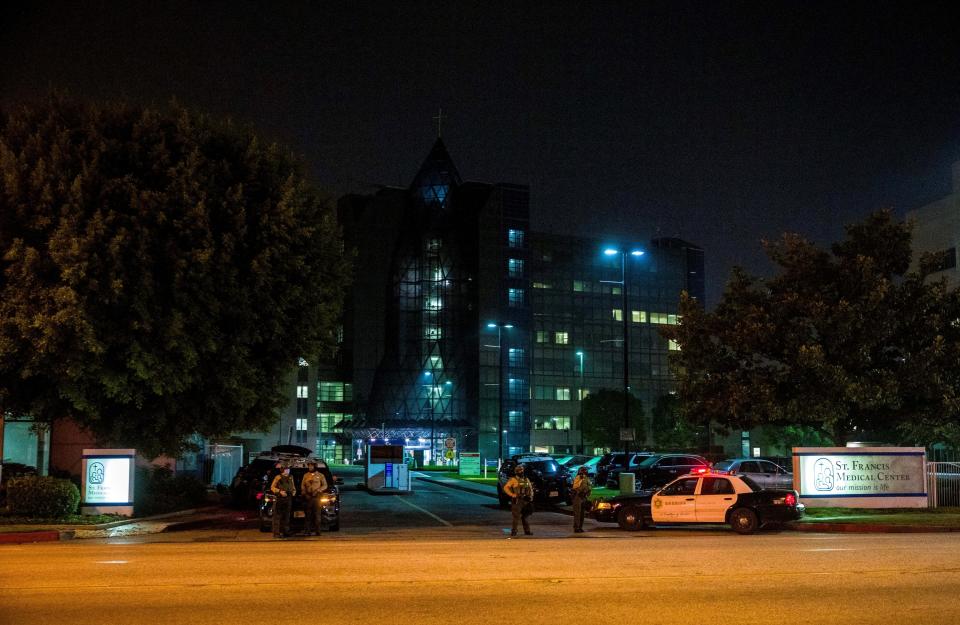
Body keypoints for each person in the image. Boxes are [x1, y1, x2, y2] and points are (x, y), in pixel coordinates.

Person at [503, 464, 535, 537]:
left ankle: (527, 531)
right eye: (520, 471)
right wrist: (512, 495)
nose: (522, 472)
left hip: (526, 500)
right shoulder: (513, 479)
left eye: (522, 470)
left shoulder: (526, 479)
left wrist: (531, 496)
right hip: (517, 500)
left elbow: (530, 489)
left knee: (525, 516)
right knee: (516, 517)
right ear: (516, 472)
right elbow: (506, 488)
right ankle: (514, 531)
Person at [300, 462, 328, 536]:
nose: (310, 468)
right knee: (308, 515)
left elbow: (325, 485)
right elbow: (302, 485)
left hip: (316, 497)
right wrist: (305, 493)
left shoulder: (320, 475)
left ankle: (318, 531)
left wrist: (318, 490)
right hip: (308, 497)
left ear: (315, 467)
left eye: (311, 466)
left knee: (317, 515)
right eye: (309, 466)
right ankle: (307, 531)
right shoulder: (305, 475)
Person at [270, 466, 296, 538]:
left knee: (287, 516)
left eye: (289, 469)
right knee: (277, 516)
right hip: (280, 498)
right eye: (287, 469)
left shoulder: (291, 477)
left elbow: (293, 486)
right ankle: (276, 533)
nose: (288, 470)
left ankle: (286, 531)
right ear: (283, 470)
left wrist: (293, 492)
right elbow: (272, 487)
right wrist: (280, 491)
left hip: (288, 498)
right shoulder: (278, 477)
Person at [572, 466, 592, 533]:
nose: (586, 472)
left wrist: (587, 493)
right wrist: (580, 492)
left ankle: (580, 527)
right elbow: (575, 487)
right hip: (578, 497)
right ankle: (576, 528)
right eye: (585, 470)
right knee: (577, 513)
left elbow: (589, 486)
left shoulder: (586, 478)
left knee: (582, 513)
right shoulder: (579, 477)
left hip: (583, 497)